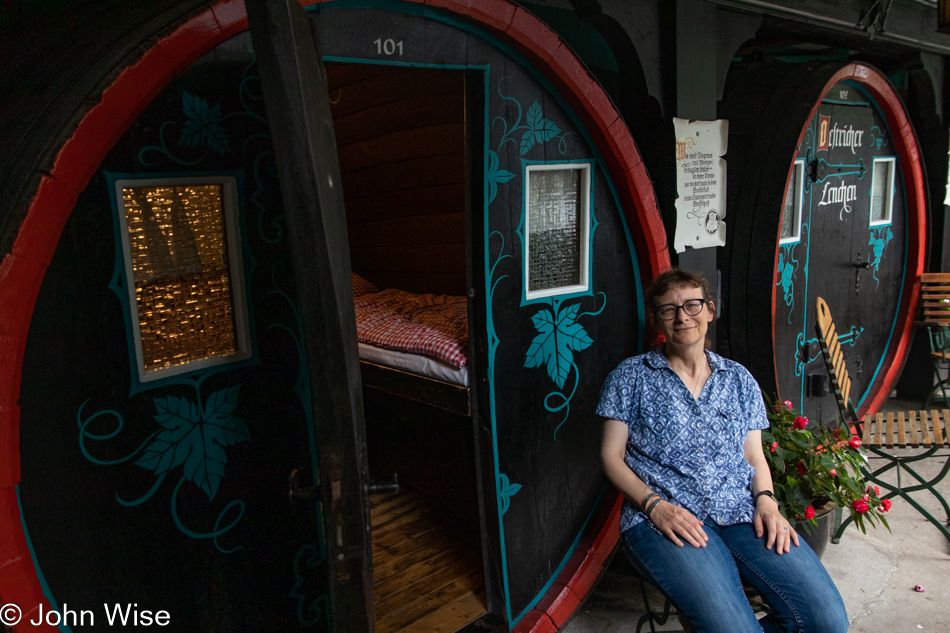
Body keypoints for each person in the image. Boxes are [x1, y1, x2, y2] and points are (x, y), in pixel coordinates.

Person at [597, 269, 849, 633]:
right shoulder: (630, 377)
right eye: (668, 310)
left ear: (710, 310)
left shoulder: (739, 378)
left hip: (741, 512)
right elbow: (610, 456)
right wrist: (656, 506)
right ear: (657, 321)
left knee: (826, 621)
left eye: (692, 305)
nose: (682, 316)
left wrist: (767, 501)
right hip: (665, 519)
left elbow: (753, 457)